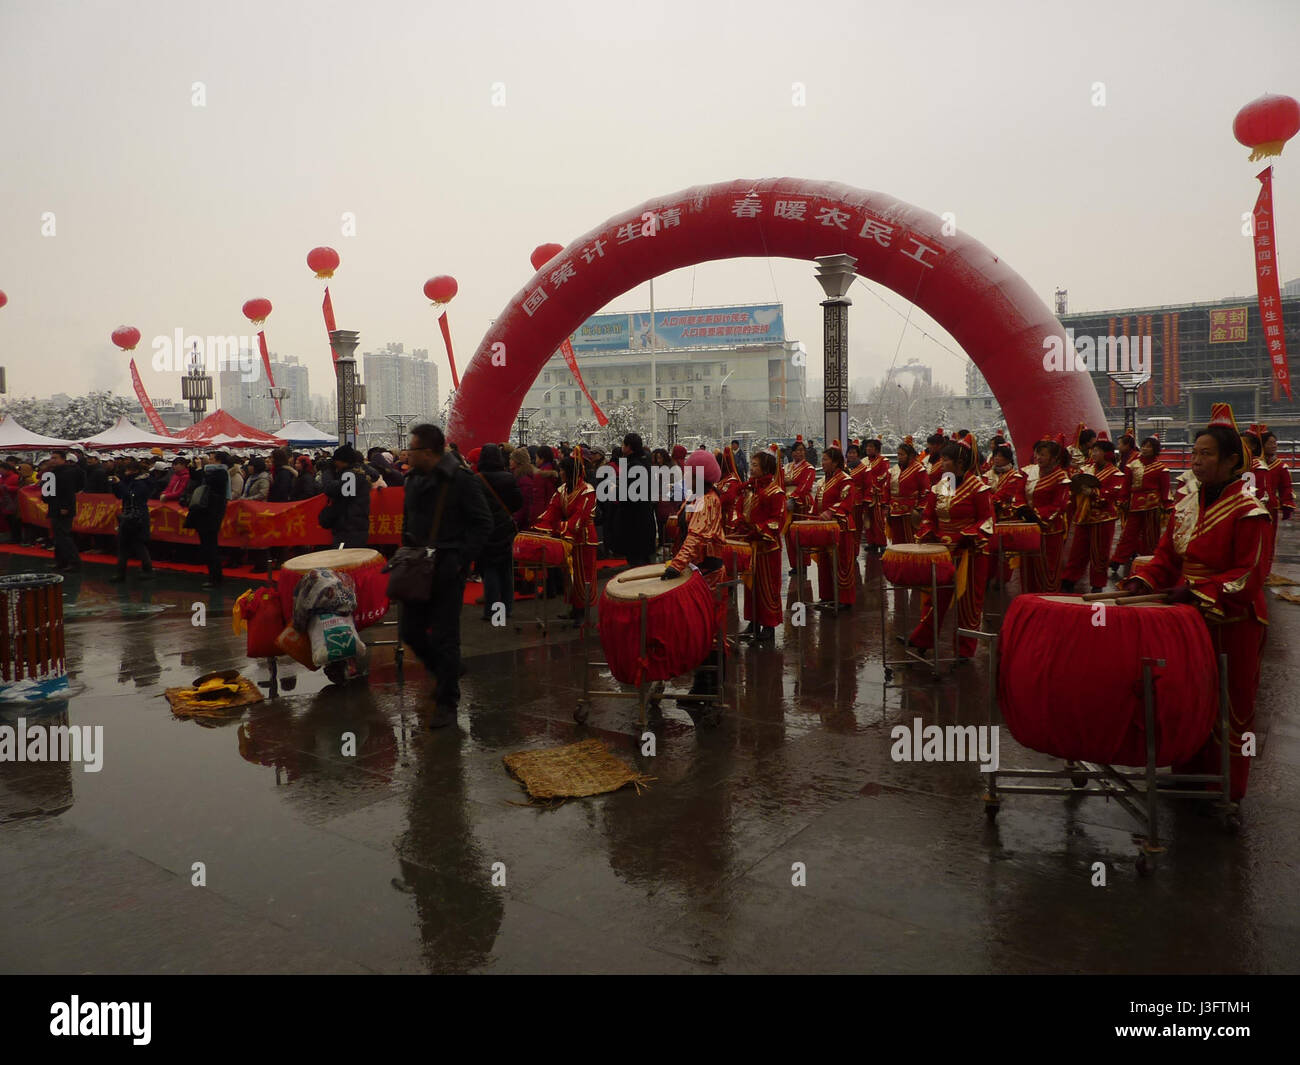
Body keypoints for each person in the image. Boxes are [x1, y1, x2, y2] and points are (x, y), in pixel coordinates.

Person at [1120, 404, 1269, 803]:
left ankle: (1227, 789)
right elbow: (1167, 558)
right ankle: (1188, 775)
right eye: (1195, 454)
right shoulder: (1185, 503)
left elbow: (1248, 575)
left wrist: (1200, 590)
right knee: (1189, 696)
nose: (1197, 461)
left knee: (1230, 705)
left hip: (1233, 621)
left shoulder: (1251, 511)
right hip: (1187, 619)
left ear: (1232, 461)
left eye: (1206, 454)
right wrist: (1141, 580)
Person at [399, 423, 493, 729]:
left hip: (447, 567)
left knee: (445, 636)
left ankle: (447, 702)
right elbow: (408, 519)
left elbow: (483, 523)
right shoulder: (412, 479)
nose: (406, 453)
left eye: (411, 449)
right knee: (409, 631)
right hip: (416, 566)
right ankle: (445, 670)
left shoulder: (461, 480)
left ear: (427, 452)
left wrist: (461, 560)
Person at [904, 434, 993, 660]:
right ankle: (924, 639)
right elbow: (929, 515)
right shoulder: (944, 485)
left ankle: (964, 650)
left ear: (960, 463)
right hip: (943, 552)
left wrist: (968, 535)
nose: (941, 465)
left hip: (970, 553)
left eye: (946, 461)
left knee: (968, 603)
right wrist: (928, 531)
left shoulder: (979, 488)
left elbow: (987, 521)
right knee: (936, 598)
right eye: (941, 460)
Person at [661, 448, 727, 715]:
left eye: (690, 472)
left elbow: (697, 535)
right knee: (700, 630)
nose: (686, 476)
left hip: (708, 571)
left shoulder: (708, 500)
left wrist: (676, 566)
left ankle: (710, 689)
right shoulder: (695, 497)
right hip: (697, 569)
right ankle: (702, 687)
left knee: (708, 631)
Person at [532, 449, 598, 622]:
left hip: (584, 539)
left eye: (562, 470)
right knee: (569, 574)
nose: (559, 472)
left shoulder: (587, 491)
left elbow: (579, 518)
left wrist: (557, 527)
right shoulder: (562, 490)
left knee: (583, 575)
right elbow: (551, 511)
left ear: (570, 472)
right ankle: (574, 609)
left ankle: (583, 612)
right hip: (567, 536)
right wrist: (539, 527)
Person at [735, 449, 786, 643]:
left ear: (765, 468)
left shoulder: (776, 492)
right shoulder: (749, 489)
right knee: (750, 588)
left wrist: (757, 529)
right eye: (752, 464)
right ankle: (753, 623)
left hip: (767, 548)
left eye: (755, 465)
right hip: (750, 545)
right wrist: (739, 522)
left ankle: (769, 627)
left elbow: (777, 521)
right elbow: (738, 508)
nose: (751, 468)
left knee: (767, 587)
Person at [1062, 435, 1122, 593]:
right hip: (1084, 516)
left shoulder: (1116, 474)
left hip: (1103, 518)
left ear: (1107, 454)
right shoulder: (1085, 470)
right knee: (1078, 551)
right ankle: (1069, 579)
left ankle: (1097, 584)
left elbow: (1110, 496)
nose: (1093, 454)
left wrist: (1093, 492)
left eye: (1097, 451)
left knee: (1099, 553)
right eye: (1093, 450)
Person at [474, 443, 523, 621]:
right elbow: (518, 502)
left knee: (490, 570)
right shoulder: (508, 478)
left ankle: (493, 612)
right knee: (506, 570)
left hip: (486, 530)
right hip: (505, 529)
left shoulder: (477, 479)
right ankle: (507, 609)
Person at [1110, 435, 1171, 573]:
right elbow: (1126, 485)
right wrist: (1122, 499)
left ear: (1155, 449)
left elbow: (1165, 490)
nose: (1145, 448)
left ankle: (1147, 561)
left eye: (1149, 446)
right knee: (1128, 533)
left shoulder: (1161, 468)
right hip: (1135, 504)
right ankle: (1118, 559)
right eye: (1144, 445)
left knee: (1151, 535)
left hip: (1153, 506)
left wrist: (1167, 505)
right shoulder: (1132, 465)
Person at [1021, 436, 1072, 593]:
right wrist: (1022, 508)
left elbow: (1060, 505)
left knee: (1048, 566)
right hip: (1029, 526)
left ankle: (1049, 597)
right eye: (1037, 454)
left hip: (1050, 528)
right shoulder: (1028, 471)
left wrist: (1038, 515)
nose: (1038, 458)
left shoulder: (1060, 477)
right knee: (1028, 566)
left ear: (1054, 458)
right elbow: (1018, 493)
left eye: (1043, 455)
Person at [810, 444, 857, 610]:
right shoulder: (824, 481)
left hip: (841, 527)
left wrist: (830, 512)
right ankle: (827, 596)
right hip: (824, 528)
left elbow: (846, 501)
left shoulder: (845, 480)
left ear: (835, 462)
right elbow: (818, 502)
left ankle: (845, 599)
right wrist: (813, 515)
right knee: (824, 564)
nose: (822, 462)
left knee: (842, 563)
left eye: (825, 459)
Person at [607, 432, 657, 568]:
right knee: (645, 562)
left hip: (632, 523)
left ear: (629, 447)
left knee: (636, 563)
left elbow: (626, 496)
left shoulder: (632, 465)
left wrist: (613, 490)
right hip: (646, 518)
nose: (622, 447)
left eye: (623, 444)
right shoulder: (646, 462)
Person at [985, 443, 1027, 584]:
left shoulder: (1015, 476)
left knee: (1008, 550)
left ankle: (1002, 579)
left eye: (1001, 456)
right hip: (991, 516)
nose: (997, 459)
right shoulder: (987, 474)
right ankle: (988, 576)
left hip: (1007, 517)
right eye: (995, 455)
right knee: (992, 549)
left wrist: (990, 499)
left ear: (1009, 459)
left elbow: (1006, 494)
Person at [187, 451, 230, 588]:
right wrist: (194, 467)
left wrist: (200, 469)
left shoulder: (221, 473)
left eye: (211, 458)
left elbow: (210, 482)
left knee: (210, 546)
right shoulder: (209, 472)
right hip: (206, 513)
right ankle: (213, 576)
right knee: (206, 545)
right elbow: (197, 478)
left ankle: (216, 577)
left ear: (218, 460)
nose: (208, 460)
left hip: (212, 513)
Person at [108, 458, 154, 582]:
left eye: (128, 470)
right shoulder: (132, 481)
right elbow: (121, 495)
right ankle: (121, 573)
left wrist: (119, 484)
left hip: (136, 517)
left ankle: (146, 570)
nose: (126, 473)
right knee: (124, 545)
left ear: (135, 471)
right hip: (129, 515)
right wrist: (116, 485)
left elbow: (130, 495)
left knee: (137, 544)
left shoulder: (141, 483)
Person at [321, 445, 372, 549]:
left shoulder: (351, 476)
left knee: (343, 561)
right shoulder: (356, 473)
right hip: (352, 528)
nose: (335, 464)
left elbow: (330, 489)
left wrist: (327, 472)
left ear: (343, 461)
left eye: (336, 461)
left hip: (349, 530)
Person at [782, 436, 816, 574]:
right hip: (786, 503)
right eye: (796, 451)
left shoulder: (809, 468)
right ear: (792, 453)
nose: (799, 453)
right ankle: (794, 564)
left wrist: (794, 498)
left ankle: (803, 563)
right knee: (788, 535)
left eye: (802, 450)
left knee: (800, 534)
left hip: (801, 503)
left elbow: (804, 486)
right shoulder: (787, 467)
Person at [47, 450, 85, 572]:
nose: (52, 460)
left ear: (63, 459)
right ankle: (61, 561)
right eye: (51, 458)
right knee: (58, 537)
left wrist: (65, 507)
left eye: (55, 458)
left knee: (64, 536)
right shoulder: (54, 473)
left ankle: (74, 562)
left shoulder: (67, 473)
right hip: (54, 506)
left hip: (63, 508)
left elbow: (68, 492)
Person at [1262, 430, 1294, 568]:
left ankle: (1266, 569)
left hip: (1270, 508)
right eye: (1270, 443)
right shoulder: (1253, 465)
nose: (1274, 446)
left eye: (1275, 443)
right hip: (1252, 506)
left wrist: (1287, 504)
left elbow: (1286, 487)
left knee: (1269, 539)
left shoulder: (1280, 466)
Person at [887, 438, 928, 545]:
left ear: (909, 456)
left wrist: (920, 508)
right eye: (898, 454)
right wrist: (886, 505)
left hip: (911, 510)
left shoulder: (919, 469)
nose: (899, 457)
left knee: (910, 539)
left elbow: (925, 490)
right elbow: (887, 489)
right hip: (894, 509)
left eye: (902, 454)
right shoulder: (894, 469)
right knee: (897, 540)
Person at [859, 438, 890, 556]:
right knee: (867, 518)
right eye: (867, 446)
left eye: (871, 447)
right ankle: (871, 542)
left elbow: (884, 475)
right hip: (866, 494)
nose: (868, 449)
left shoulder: (883, 461)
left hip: (877, 495)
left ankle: (882, 543)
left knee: (878, 520)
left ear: (876, 449)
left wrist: (873, 485)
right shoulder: (864, 461)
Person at [509, 447, 545, 530]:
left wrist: (516, 520)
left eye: (512, 459)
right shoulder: (519, 476)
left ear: (518, 461)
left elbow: (524, 504)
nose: (510, 461)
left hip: (521, 523)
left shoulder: (523, 480)